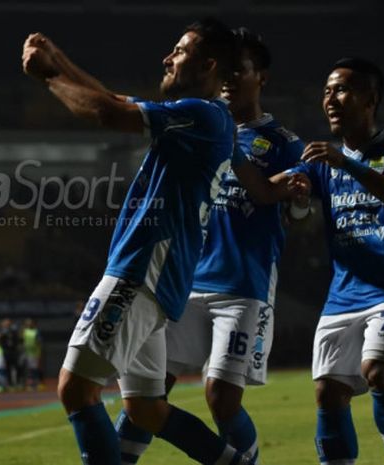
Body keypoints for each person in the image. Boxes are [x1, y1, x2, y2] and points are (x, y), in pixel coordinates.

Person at [22, 19, 307, 465]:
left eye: (178, 51)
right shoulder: (199, 118)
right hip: (164, 277)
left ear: (207, 64)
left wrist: (48, 76)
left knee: (77, 389)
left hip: (142, 270)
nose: (167, 58)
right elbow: (113, 101)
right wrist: (60, 60)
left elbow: (105, 114)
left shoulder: (204, 115)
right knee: (145, 408)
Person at [114, 28, 305, 465]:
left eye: (242, 70)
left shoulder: (283, 143)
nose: (230, 78)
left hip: (243, 286)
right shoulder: (199, 122)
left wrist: (297, 206)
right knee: (146, 393)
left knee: (220, 398)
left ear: (263, 78)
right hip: (183, 281)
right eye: (226, 69)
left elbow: (297, 208)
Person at [289, 58, 384, 465]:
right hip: (343, 291)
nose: (330, 98)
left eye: (342, 90)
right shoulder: (320, 162)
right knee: (327, 393)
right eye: (328, 91)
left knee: (378, 372)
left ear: (371, 99)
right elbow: (299, 223)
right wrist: (297, 204)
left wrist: (346, 162)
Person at [22, 318, 44, 391]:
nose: (29, 324)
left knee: (36, 369)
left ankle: (38, 383)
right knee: (30, 370)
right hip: (28, 353)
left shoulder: (36, 332)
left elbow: (39, 343)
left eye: (30, 323)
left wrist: (39, 353)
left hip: (35, 353)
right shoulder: (24, 331)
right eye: (27, 323)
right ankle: (31, 384)